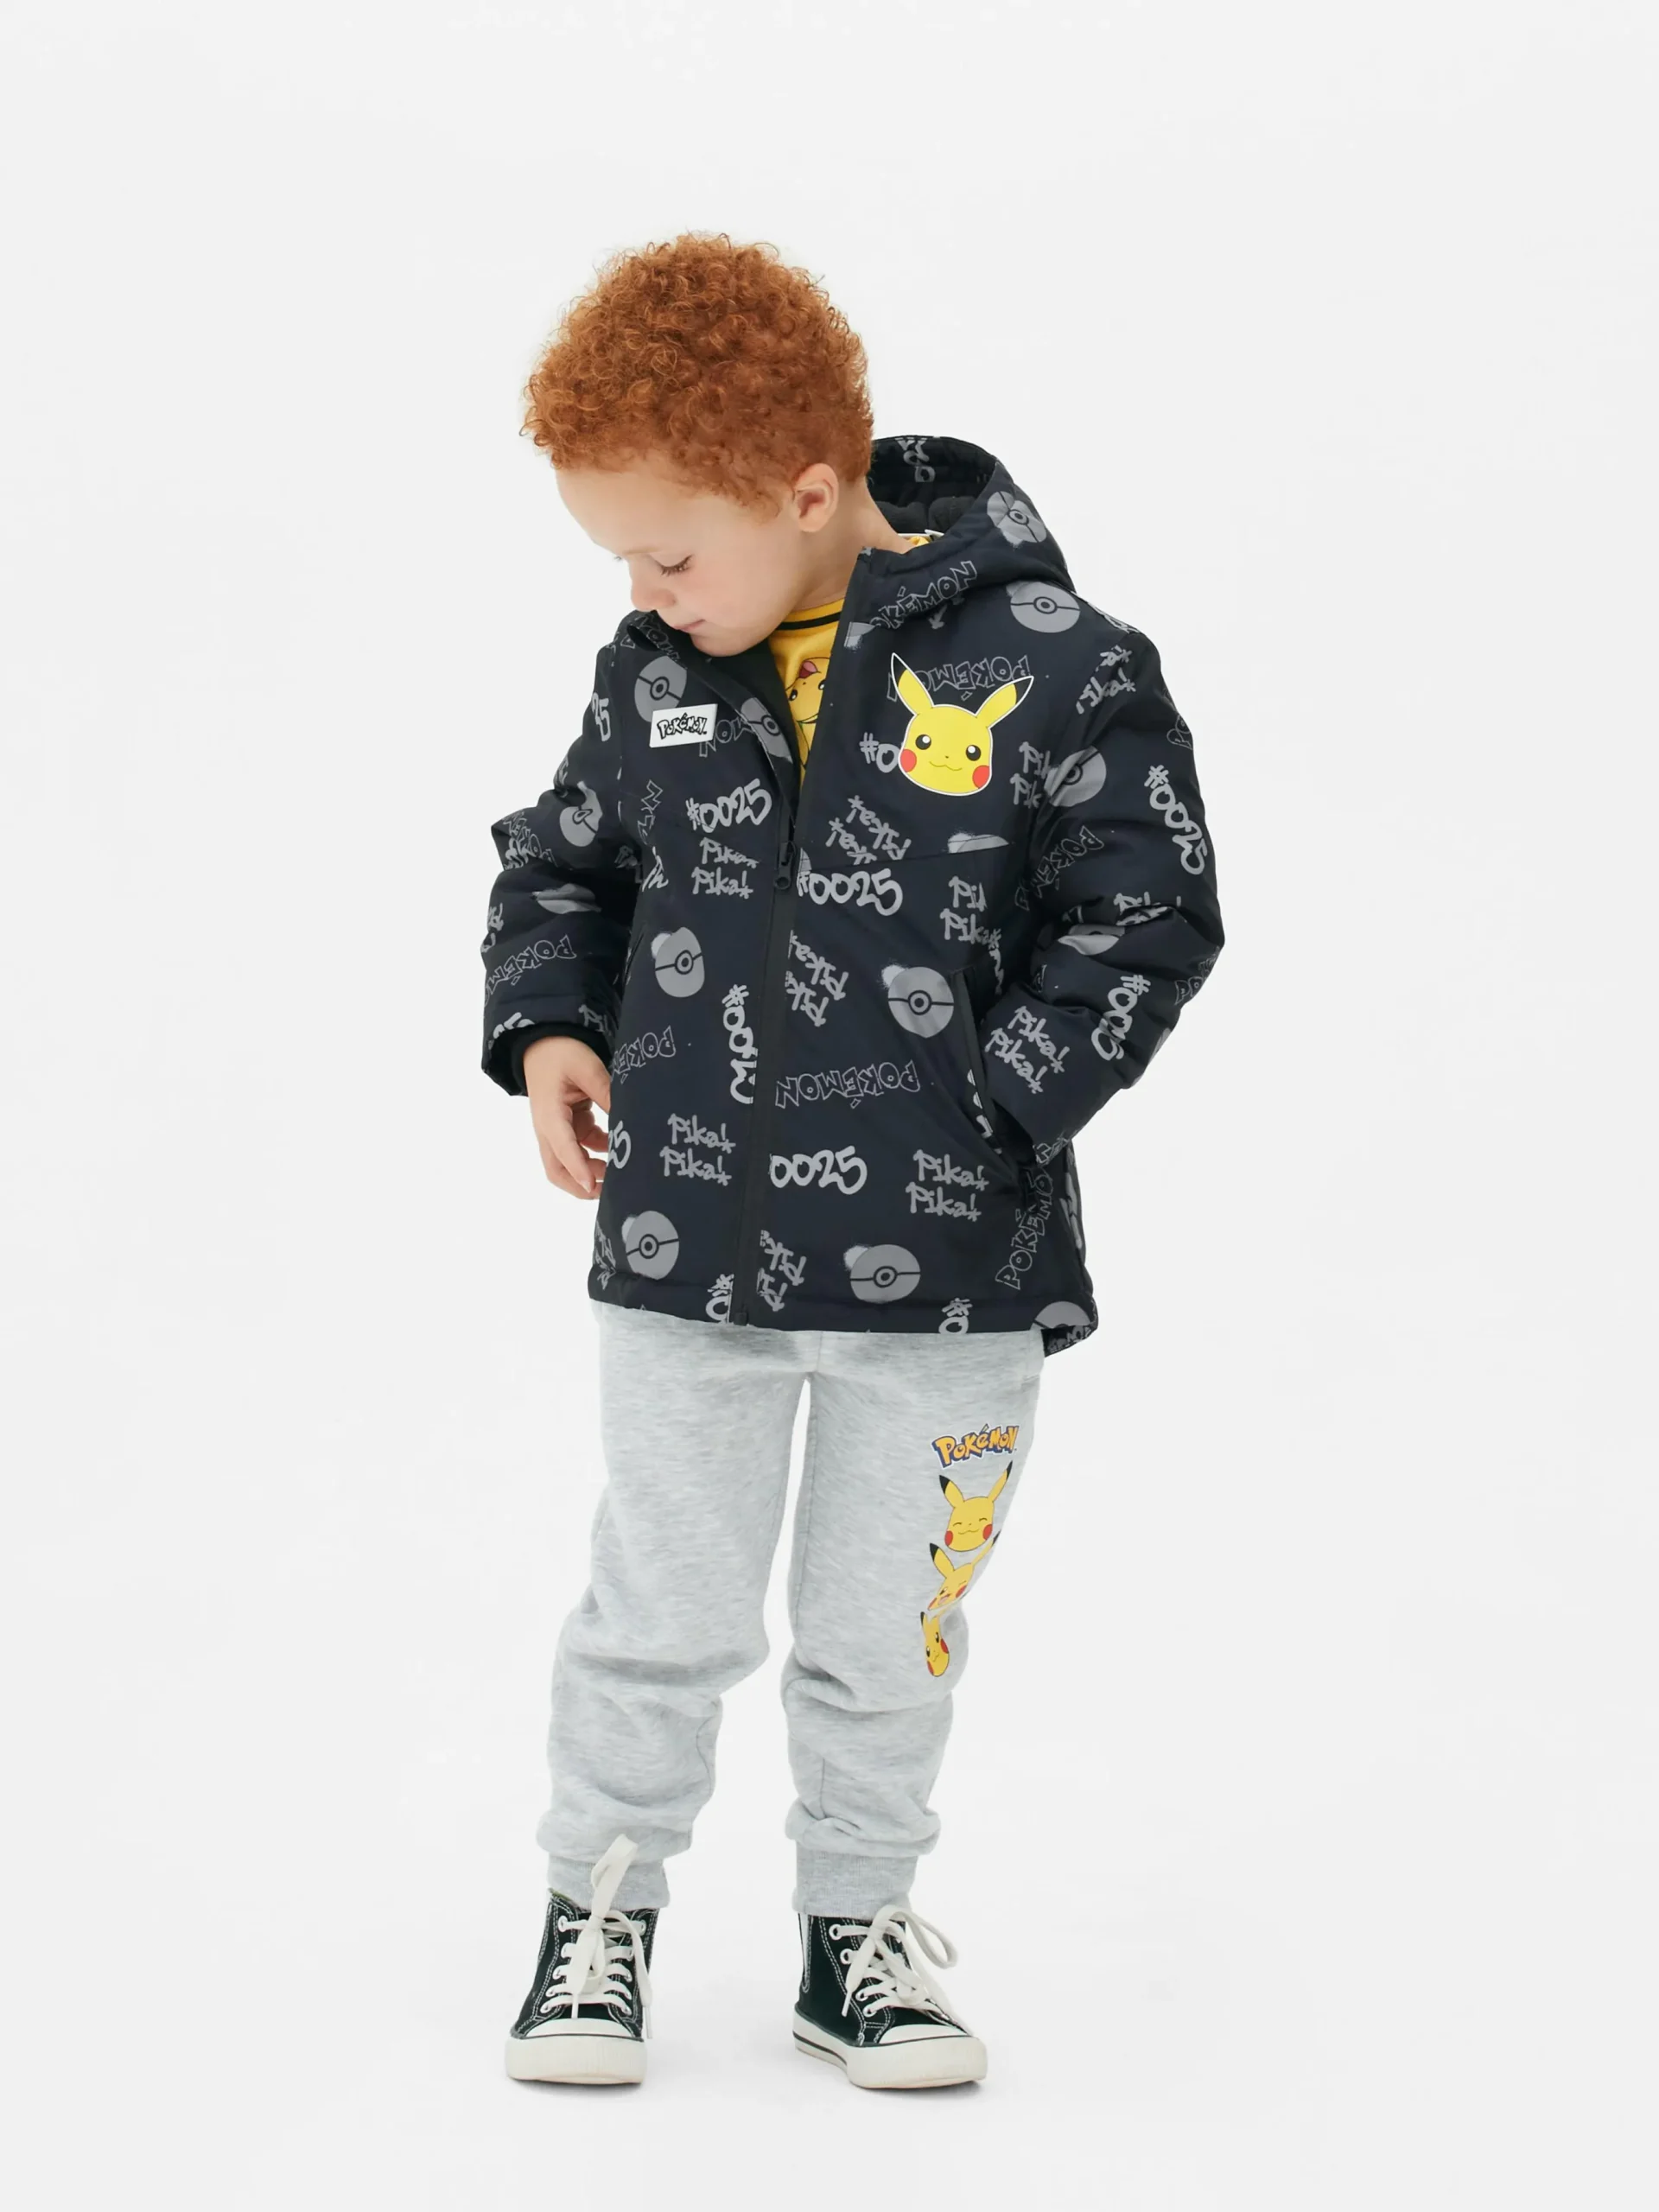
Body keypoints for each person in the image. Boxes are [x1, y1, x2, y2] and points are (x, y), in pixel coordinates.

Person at [479, 231, 1224, 2090]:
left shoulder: (1060, 667)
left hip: (951, 1272)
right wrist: (551, 1024)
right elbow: (561, 862)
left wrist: (1000, 1102)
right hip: (688, 1256)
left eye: (669, 554)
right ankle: (598, 1912)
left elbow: (1148, 913)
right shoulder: (655, 676)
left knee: (892, 1631)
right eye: (621, 563)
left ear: (807, 493)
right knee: (658, 1612)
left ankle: (857, 1936)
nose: (645, 593)